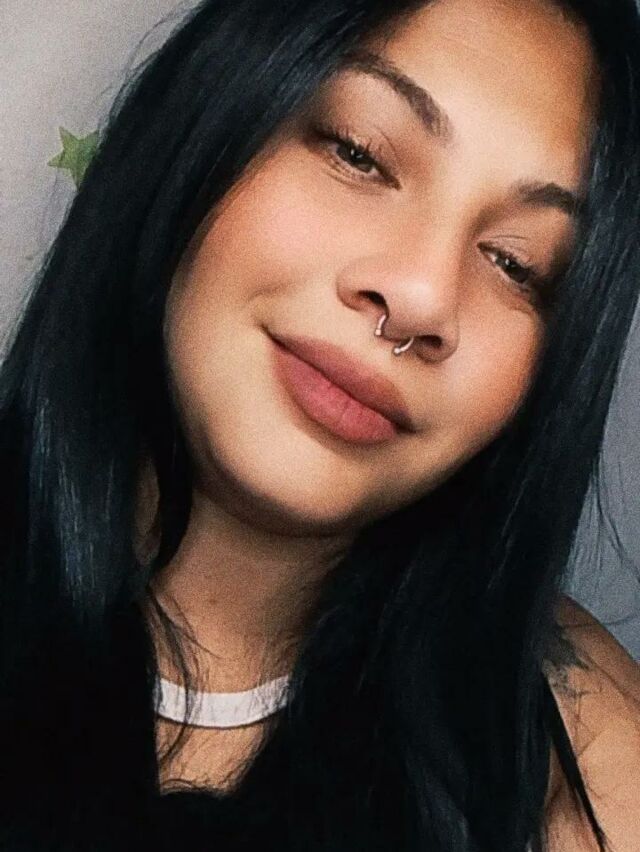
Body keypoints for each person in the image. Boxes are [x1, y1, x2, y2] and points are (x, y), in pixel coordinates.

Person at [0, 0, 639, 849]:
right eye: (358, 153)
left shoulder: (577, 759)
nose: (421, 297)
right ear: (202, 126)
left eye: (516, 264)